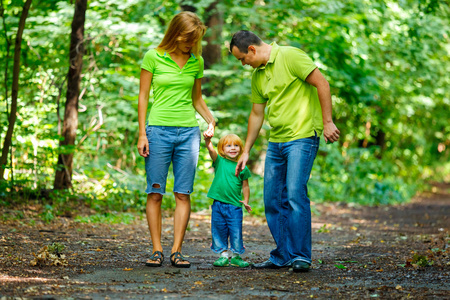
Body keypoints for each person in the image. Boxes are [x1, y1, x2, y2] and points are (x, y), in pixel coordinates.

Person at [230, 30, 340, 272]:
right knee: (271, 199)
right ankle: (283, 254)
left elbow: (321, 83)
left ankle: (301, 256)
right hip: (276, 141)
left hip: (302, 137)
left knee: (294, 194)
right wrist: (246, 150)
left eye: (242, 59)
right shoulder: (258, 75)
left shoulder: (291, 56)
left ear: (252, 50)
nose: (243, 64)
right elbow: (257, 114)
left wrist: (328, 121)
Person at [137, 12, 215, 268]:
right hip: (157, 131)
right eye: (186, 38)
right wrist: (142, 133)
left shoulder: (197, 62)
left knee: (183, 193)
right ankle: (156, 250)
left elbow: (197, 99)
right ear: (174, 33)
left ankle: (177, 251)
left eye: (194, 40)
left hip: (188, 134)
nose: (190, 44)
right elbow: (143, 97)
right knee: (155, 193)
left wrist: (210, 120)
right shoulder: (153, 56)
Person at [204, 133, 252, 268]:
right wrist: (208, 141)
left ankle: (236, 257)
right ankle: (223, 255)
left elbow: (245, 185)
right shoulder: (219, 161)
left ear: (241, 149)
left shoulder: (242, 166)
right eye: (229, 146)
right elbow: (211, 150)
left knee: (236, 231)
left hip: (234, 206)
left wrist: (246, 200)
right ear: (222, 149)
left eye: (236, 145)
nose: (233, 148)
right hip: (218, 204)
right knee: (218, 229)